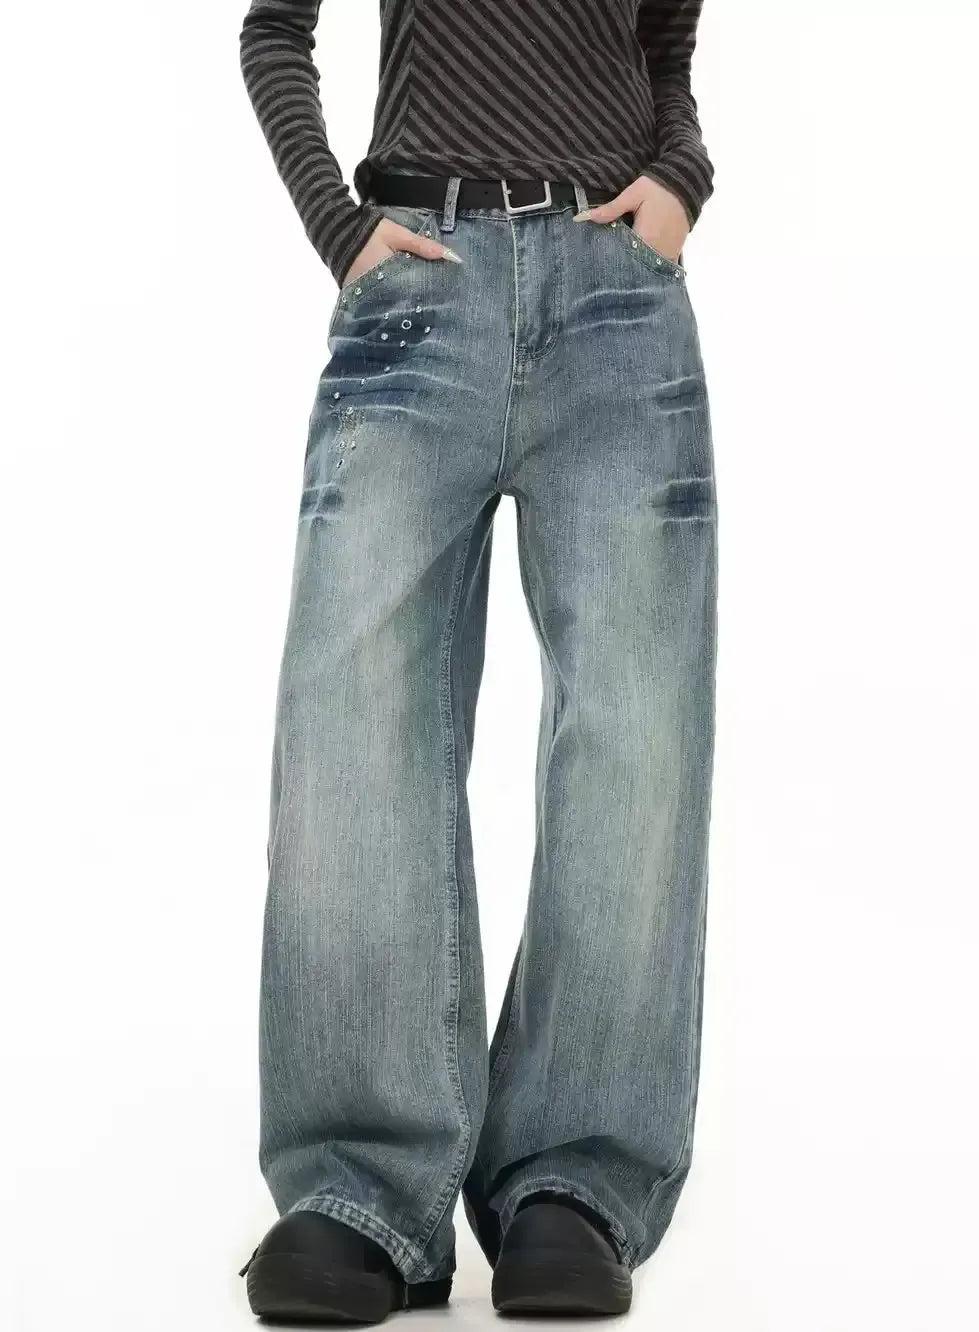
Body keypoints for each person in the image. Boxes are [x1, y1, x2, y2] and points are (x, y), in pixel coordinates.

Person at [238, 0, 717, 1321]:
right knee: (355, 718)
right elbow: (274, 33)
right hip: (416, 285)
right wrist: (338, 227)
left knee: (637, 732)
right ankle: (361, 1187)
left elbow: (665, 56)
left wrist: (683, 177)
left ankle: (578, 1179)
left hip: (619, 299)